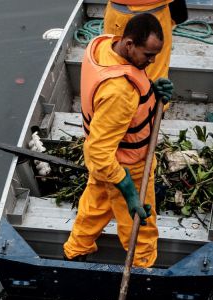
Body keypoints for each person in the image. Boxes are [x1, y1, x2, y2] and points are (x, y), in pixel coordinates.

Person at [62, 13, 173, 268]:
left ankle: (74, 255)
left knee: (93, 210)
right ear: (130, 44)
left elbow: (101, 146)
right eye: (148, 55)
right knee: (140, 227)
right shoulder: (120, 93)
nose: (153, 61)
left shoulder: (103, 46)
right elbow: (99, 154)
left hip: (106, 158)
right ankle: (143, 270)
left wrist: (153, 93)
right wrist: (130, 192)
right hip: (127, 165)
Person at [103, 0, 186, 82]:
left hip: (115, 14)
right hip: (155, 15)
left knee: (113, 71)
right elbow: (180, 16)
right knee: (152, 80)